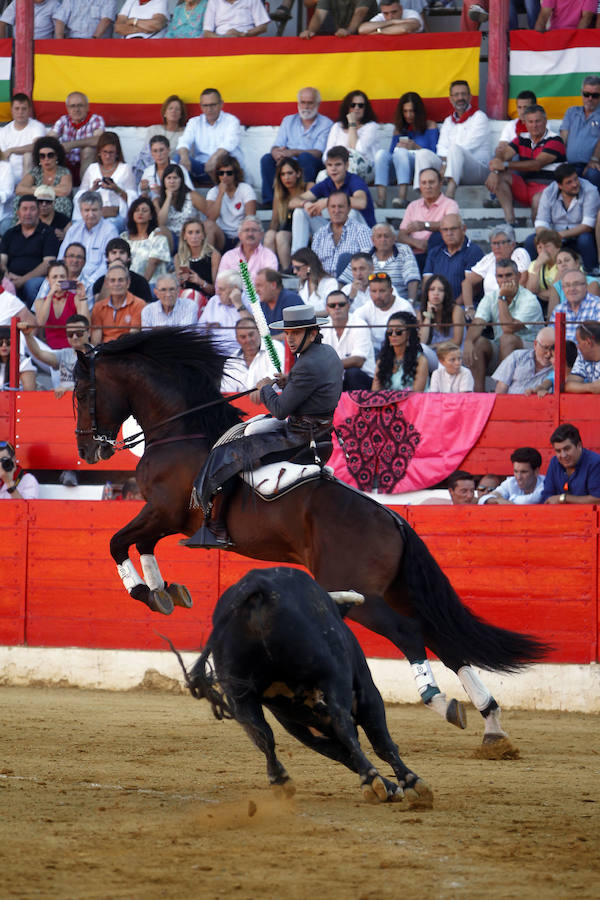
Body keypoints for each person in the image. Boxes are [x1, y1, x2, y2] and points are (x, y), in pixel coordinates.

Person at [186, 303, 344, 548]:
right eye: (289, 333)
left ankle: (217, 528)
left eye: (297, 333)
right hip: (319, 432)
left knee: (229, 453)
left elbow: (280, 411)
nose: (290, 339)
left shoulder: (306, 364)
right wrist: (288, 380)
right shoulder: (327, 353)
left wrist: (266, 388)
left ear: (312, 333)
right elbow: (313, 384)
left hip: (299, 437)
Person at [463, 258, 543, 392]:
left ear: (518, 277)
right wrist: (469, 341)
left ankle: (499, 391)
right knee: (478, 343)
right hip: (503, 350)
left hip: (532, 352)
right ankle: (479, 394)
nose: (504, 280)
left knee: (507, 339)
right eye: (500, 276)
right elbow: (478, 322)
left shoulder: (529, 299)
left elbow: (508, 328)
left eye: (509, 275)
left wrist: (502, 298)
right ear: (496, 278)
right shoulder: (490, 297)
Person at [486, 104, 566, 227]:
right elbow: (502, 154)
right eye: (530, 122)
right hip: (526, 187)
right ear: (525, 123)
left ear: (545, 121)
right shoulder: (522, 138)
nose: (534, 125)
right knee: (500, 177)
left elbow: (536, 165)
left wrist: (504, 165)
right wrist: (495, 171)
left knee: (538, 199)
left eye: (538, 121)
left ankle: (536, 235)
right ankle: (511, 222)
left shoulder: (555, 140)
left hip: (548, 188)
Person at [291, 145, 376, 254]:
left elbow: (361, 202)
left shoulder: (354, 180)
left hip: (364, 236)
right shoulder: (327, 183)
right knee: (300, 212)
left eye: (338, 165)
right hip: (336, 232)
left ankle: (349, 257)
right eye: (330, 165)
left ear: (347, 165)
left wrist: (328, 201)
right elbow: (293, 202)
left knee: (351, 213)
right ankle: (298, 259)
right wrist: (305, 203)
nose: (333, 169)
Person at [260, 88, 331, 206]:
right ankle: (269, 202)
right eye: (303, 102)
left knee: (305, 157)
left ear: (318, 104)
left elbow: (318, 152)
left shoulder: (326, 124)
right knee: (267, 159)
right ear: (298, 104)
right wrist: (277, 154)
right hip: (287, 161)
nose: (306, 106)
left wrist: (292, 152)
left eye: (310, 103)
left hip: (311, 163)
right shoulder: (288, 120)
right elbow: (276, 145)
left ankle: (305, 199)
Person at [527, 164, 600, 273]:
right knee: (531, 241)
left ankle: (592, 272)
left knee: (585, 239)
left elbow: (587, 226)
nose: (575, 184)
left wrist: (559, 235)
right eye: (569, 182)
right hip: (556, 238)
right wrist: (547, 237)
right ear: (560, 185)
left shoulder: (590, 190)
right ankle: (533, 273)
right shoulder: (549, 192)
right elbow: (541, 222)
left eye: (575, 179)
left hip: (579, 235)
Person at [373, 91, 440, 209]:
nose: (408, 115)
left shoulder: (430, 125)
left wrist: (415, 147)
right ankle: (381, 199)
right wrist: (398, 147)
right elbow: (391, 154)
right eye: (405, 111)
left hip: (420, 166)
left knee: (401, 153)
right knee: (381, 154)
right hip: (400, 165)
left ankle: (402, 197)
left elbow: (433, 154)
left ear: (418, 111)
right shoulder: (399, 129)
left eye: (411, 111)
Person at [461, 224, 531, 321]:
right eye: (494, 243)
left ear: (512, 244)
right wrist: (469, 308)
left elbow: (523, 280)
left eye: (501, 243)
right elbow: (467, 283)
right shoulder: (490, 258)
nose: (496, 247)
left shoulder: (519, 253)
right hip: (489, 310)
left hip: (513, 307)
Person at [0, 195, 60, 307]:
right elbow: (2, 259)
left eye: (32, 209)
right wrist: (6, 275)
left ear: (38, 212)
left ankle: (34, 320)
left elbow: (48, 263)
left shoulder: (48, 233)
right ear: (18, 213)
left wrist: (22, 280)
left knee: (32, 285)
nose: (28, 213)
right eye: (24, 209)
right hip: (10, 277)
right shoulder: (10, 234)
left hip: (36, 280)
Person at [397, 167, 459, 271]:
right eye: (424, 183)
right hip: (414, 253)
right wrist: (416, 242)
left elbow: (450, 226)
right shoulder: (413, 206)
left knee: (438, 236)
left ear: (440, 184)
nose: (427, 186)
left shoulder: (450, 204)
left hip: (440, 254)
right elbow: (401, 235)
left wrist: (425, 225)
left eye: (431, 182)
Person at [437, 80, 490, 200]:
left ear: (470, 97)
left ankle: (449, 195)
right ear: (451, 99)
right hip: (452, 167)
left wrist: (446, 162)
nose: (460, 98)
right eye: (456, 95)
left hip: (477, 170)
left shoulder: (479, 117)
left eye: (463, 94)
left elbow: (467, 146)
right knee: (423, 155)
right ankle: (423, 200)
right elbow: (441, 147)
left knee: (456, 149)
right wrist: (445, 163)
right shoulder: (448, 121)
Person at [176, 89, 243, 182]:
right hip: (202, 168)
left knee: (225, 164)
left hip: (224, 169)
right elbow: (184, 141)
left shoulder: (231, 121)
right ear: (200, 106)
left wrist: (214, 158)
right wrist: (184, 156)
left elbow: (229, 144)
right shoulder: (194, 122)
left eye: (213, 105)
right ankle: (186, 193)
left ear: (221, 104)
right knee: (178, 158)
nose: (209, 109)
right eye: (205, 105)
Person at [74, 132, 137, 233]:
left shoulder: (125, 169)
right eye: (105, 152)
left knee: (109, 228)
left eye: (111, 152)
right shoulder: (92, 169)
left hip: (116, 217)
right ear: (99, 152)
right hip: (93, 215)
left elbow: (134, 199)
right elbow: (80, 197)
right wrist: (92, 190)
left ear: (117, 153)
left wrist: (116, 189)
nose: (107, 156)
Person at [18, 314, 91, 398]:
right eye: (70, 334)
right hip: (63, 402)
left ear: (88, 333)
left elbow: (96, 385)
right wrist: (28, 335)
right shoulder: (64, 353)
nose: (74, 337)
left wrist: (70, 389)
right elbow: (39, 353)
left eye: (79, 333)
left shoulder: (98, 356)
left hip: (86, 403)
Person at [58, 191, 118, 286]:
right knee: (47, 287)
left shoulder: (110, 230)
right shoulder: (73, 230)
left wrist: (87, 283)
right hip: (69, 280)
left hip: (96, 283)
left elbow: (106, 264)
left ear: (101, 210)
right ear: (80, 211)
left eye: (94, 210)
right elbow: (61, 258)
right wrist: (64, 280)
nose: (90, 214)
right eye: (86, 210)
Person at [422, 213, 484, 303]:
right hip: (438, 305)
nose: (449, 233)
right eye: (445, 230)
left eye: (453, 229)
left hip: (464, 306)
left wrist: (453, 307)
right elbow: (427, 283)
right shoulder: (434, 252)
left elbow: (474, 287)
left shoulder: (473, 251)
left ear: (464, 229)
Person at [311, 192, 373, 279]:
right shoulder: (319, 234)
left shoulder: (362, 231)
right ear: (328, 209)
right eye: (333, 207)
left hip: (350, 284)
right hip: (324, 283)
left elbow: (367, 264)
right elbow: (313, 264)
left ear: (349, 208)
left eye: (341, 207)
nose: (336, 211)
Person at [321, 288, 374, 389]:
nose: (337, 308)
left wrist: (327, 365)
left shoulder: (360, 324)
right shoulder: (322, 327)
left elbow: (358, 361)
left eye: (341, 304)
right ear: (327, 309)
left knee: (352, 373)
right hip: (335, 379)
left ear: (348, 306)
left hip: (362, 379)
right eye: (332, 305)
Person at [48, 92, 105, 184]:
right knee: (50, 152)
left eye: (80, 105)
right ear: (67, 108)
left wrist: (71, 145)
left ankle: (84, 190)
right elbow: (49, 140)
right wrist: (59, 147)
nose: (76, 109)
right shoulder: (63, 120)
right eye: (72, 106)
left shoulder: (95, 119)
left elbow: (99, 139)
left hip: (88, 166)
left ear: (87, 107)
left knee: (88, 150)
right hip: (67, 166)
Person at [323, 91, 379, 183]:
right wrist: (331, 166)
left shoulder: (371, 126)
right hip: (338, 166)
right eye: (353, 105)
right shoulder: (337, 126)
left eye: (360, 105)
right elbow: (327, 153)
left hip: (365, 167)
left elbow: (357, 150)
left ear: (366, 108)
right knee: (322, 176)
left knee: (350, 168)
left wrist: (352, 124)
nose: (356, 108)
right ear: (347, 107)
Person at [33, 259, 88, 350]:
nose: (59, 280)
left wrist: (83, 298)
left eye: (62, 276)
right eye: (54, 277)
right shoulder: (40, 302)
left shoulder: (75, 299)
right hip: (49, 352)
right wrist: (50, 294)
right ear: (48, 280)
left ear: (67, 279)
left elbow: (85, 324)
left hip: (72, 349)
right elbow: (41, 323)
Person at [15, 136, 73, 221]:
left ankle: (57, 230)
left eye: (50, 155)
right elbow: (19, 189)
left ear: (57, 156)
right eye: (42, 156)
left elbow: (64, 191)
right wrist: (46, 192)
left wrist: (35, 189)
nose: (46, 159)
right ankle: (21, 230)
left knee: (63, 201)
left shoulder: (64, 172)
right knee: (18, 200)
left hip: (53, 205)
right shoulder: (35, 171)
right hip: (37, 204)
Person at [264, 159, 309, 271]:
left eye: (290, 173)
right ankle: (272, 271)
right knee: (271, 235)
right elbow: (275, 221)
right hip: (288, 231)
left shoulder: (308, 187)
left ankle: (289, 270)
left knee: (281, 236)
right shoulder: (279, 194)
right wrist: (270, 235)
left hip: (307, 230)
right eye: (283, 174)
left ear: (298, 173)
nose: (286, 178)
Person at [205, 155, 256, 251]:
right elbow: (211, 218)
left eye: (229, 173)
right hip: (222, 238)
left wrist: (241, 242)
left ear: (235, 174)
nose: (225, 176)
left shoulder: (245, 189)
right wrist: (220, 194)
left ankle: (243, 265)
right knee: (208, 225)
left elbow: (251, 219)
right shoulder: (213, 192)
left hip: (241, 236)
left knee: (241, 263)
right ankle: (208, 263)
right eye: (221, 173)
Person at [155, 163, 210, 250]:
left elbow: (210, 214)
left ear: (181, 180)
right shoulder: (157, 200)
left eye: (175, 178)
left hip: (192, 237)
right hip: (172, 239)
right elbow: (160, 223)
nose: (172, 181)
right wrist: (168, 198)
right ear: (164, 181)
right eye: (168, 178)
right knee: (160, 230)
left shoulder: (192, 196)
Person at [541, 422, 600, 504]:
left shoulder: (595, 463)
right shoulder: (554, 462)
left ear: (579, 445)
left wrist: (563, 498)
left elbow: (597, 499)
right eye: (558, 451)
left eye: (567, 449)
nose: (563, 455)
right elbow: (547, 497)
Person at [357, 270, 414, 353]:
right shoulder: (368, 306)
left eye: (382, 291)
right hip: (373, 351)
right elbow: (352, 321)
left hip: (399, 351)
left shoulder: (404, 307)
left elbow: (412, 337)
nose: (377, 296)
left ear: (391, 291)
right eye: (374, 291)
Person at [559, 76, 600, 191]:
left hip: (593, 164)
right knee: (562, 174)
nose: (590, 98)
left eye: (595, 95)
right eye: (586, 94)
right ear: (581, 93)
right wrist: (560, 160)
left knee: (593, 175)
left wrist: (594, 159)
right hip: (571, 164)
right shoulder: (571, 112)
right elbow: (563, 137)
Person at [90, 262, 145, 344]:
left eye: (121, 280)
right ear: (107, 284)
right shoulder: (98, 307)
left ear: (128, 283)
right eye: (112, 280)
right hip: (105, 351)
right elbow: (96, 340)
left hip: (127, 350)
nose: (117, 284)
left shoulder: (138, 304)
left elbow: (134, 336)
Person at [120, 196, 171, 286]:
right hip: (125, 284)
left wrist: (141, 286)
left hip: (151, 284)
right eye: (137, 210)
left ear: (151, 216)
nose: (140, 213)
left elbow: (153, 263)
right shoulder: (124, 237)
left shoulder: (158, 237)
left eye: (144, 210)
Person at [227, 314, 284, 393]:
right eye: (243, 337)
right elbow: (227, 392)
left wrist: (262, 391)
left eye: (251, 334)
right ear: (237, 339)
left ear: (258, 332)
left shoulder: (274, 347)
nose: (248, 340)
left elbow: (274, 379)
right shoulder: (231, 361)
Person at [372, 310, 428, 391]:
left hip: (412, 402)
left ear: (409, 334)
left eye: (398, 331)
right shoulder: (382, 360)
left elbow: (417, 394)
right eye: (390, 332)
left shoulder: (421, 361)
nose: (393, 335)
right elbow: (374, 392)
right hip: (386, 403)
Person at [134, 95, 188, 180]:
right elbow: (146, 154)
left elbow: (187, 156)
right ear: (165, 113)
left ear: (181, 114)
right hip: (154, 169)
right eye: (170, 108)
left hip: (175, 174)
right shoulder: (154, 130)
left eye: (177, 109)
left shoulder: (186, 133)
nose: (173, 111)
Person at [492, 326, 555, 394]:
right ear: (535, 344)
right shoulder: (517, 356)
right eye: (545, 348)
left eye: (553, 349)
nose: (548, 353)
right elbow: (501, 388)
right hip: (510, 402)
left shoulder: (556, 368)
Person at [366, 223, 420, 303]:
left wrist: (411, 301)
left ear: (394, 238)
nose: (383, 239)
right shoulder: (365, 254)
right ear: (372, 240)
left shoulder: (404, 250)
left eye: (386, 236)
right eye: (379, 236)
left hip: (399, 302)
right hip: (370, 303)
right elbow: (347, 279)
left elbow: (412, 279)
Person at [198, 269, 248, 353]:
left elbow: (255, 328)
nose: (218, 292)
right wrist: (207, 329)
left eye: (222, 289)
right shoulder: (214, 301)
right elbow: (199, 331)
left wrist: (238, 304)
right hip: (216, 354)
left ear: (235, 288)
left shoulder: (250, 300)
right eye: (217, 288)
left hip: (242, 354)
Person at [0, 93, 46, 183]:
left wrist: (12, 150)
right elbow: (3, 157)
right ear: (11, 110)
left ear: (29, 110)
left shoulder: (37, 126)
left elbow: (37, 146)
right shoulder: (3, 131)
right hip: (9, 177)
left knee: (28, 155)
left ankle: (24, 190)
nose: (20, 112)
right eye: (17, 109)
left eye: (24, 109)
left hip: (32, 176)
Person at [92, 237, 153, 304]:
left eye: (122, 252)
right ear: (107, 258)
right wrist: (108, 278)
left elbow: (146, 309)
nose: (118, 256)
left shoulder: (140, 281)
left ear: (129, 258)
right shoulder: (99, 283)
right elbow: (99, 308)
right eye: (114, 253)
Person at [175, 218, 220, 306]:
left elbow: (217, 291)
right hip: (185, 301)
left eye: (197, 232)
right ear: (184, 236)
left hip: (207, 302)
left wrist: (200, 282)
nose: (194, 236)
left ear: (203, 235)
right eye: (190, 232)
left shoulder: (214, 255)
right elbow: (177, 291)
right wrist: (180, 281)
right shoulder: (178, 257)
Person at [546, 247, 600, 322]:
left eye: (567, 260)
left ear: (577, 263)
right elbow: (551, 318)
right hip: (564, 329)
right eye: (559, 262)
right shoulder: (557, 286)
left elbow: (589, 311)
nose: (563, 265)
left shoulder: (592, 283)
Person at [479, 447, 545, 505]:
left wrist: (507, 500)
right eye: (516, 471)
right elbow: (484, 499)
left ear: (536, 471)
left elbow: (529, 500)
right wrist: (497, 500)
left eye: (524, 472)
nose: (518, 477)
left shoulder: (546, 484)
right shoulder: (511, 482)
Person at [139, 135, 194, 202]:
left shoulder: (180, 169)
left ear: (168, 150)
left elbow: (190, 194)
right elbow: (142, 199)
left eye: (161, 150)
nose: (159, 154)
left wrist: (162, 192)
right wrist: (144, 191)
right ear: (151, 153)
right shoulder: (147, 172)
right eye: (155, 151)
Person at [419, 274, 466, 352]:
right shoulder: (422, 312)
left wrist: (435, 346)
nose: (436, 293)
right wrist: (428, 316)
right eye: (432, 289)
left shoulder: (456, 310)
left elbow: (457, 341)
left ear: (446, 293)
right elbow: (422, 342)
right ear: (427, 292)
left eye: (440, 290)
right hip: (433, 353)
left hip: (453, 353)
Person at [549, 269, 600, 341]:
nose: (572, 289)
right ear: (563, 289)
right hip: (563, 351)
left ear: (585, 286)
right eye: (567, 285)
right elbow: (552, 338)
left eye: (576, 284)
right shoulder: (559, 309)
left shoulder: (597, 305)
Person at [525, 228, 562, 308]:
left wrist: (538, 293)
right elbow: (531, 291)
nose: (543, 251)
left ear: (558, 247)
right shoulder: (535, 264)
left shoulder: (564, 263)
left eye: (547, 246)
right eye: (539, 247)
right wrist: (537, 266)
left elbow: (555, 294)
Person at [300, 0, 378, 37]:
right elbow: (319, 15)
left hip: (369, 39)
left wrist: (348, 31)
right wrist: (310, 31)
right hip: (342, 37)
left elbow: (360, 12)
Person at [565, 320, 600, 393]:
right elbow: (568, 385)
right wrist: (591, 387)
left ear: (588, 342)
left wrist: (582, 387)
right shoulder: (582, 357)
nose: (577, 347)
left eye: (578, 342)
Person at [202, 0, 270, 36]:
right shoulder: (214, 1)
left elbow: (263, 27)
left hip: (247, 40)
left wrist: (242, 34)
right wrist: (222, 40)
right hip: (220, 43)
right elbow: (207, 32)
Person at [53, 0, 119, 36]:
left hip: (97, 42)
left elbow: (106, 20)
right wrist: (60, 41)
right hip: (72, 40)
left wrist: (93, 40)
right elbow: (60, 20)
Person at [0, 326, 36, 391]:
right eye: (0, 343)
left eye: (8, 342)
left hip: (17, 400)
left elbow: (29, 393)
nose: (4, 345)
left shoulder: (24, 362)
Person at [359, 0, 424, 35]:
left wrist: (379, 31)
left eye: (394, 12)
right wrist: (393, 22)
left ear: (401, 8)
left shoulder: (411, 13)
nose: (390, 16)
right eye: (386, 13)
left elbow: (403, 29)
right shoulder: (381, 16)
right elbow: (362, 29)